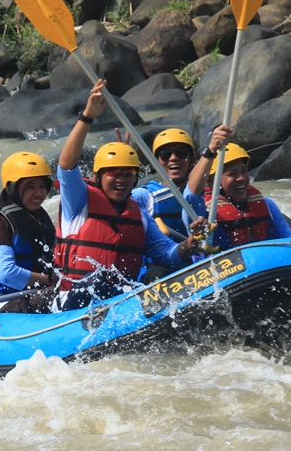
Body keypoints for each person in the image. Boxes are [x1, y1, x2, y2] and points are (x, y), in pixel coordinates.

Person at [55, 79, 206, 310]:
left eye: (128, 174)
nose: (121, 179)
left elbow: (168, 253)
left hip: (123, 306)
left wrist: (191, 242)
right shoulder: (78, 201)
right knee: (97, 282)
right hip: (73, 305)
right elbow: (66, 166)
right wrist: (88, 116)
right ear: (97, 176)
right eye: (113, 173)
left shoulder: (139, 215)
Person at [0, 151, 58, 313]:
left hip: (31, 293)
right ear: (12, 188)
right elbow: (6, 273)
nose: (39, 193)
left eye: (42, 186)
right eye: (30, 187)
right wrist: (50, 280)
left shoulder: (37, 216)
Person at [184, 124, 291, 250]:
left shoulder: (268, 205)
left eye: (244, 171)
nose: (241, 178)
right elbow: (191, 193)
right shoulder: (201, 211)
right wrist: (211, 150)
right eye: (232, 174)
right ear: (211, 181)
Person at [131, 128, 197, 242]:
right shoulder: (145, 196)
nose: (173, 158)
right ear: (155, 162)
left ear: (191, 160)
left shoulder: (206, 194)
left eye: (181, 153)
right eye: (165, 154)